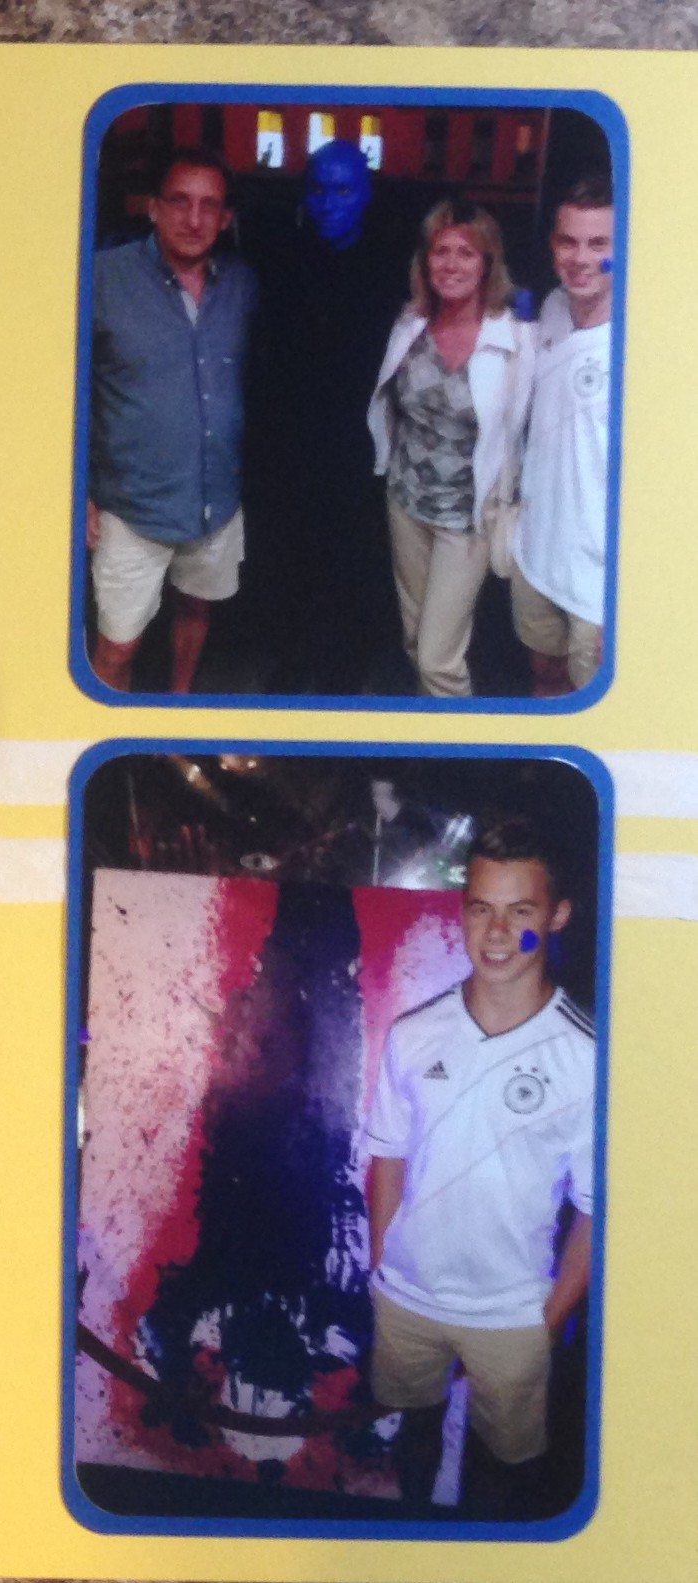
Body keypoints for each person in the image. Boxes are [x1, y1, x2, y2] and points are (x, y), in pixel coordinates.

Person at [363, 817, 595, 1518]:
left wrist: (547, 1320)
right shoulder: (414, 1034)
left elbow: (599, 1210)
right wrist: (385, 1267)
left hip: (512, 1314)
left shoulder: (587, 1058)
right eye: (480, 909)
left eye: (520, 912)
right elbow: (386, 1156)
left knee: (505, 1473)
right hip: (408, 1300)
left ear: (556, 916)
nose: (496, 933)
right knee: (412, 1440)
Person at [239, 138, 419, 694]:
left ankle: (345, 668)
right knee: (291, 558)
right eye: (317, 189)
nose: (327, 202)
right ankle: (294, 660)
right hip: (289, 442)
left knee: (353, 562)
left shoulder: (392, 268)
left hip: (357, 446)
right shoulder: (279, 258)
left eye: (342, 190)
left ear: (365, 196)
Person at [85, 150, 254, 693]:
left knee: (196, 609)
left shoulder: (242, 285)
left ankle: (177, 711)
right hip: (132, 505)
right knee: (117, 646)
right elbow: (60, 385)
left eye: (209, 206)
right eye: (179, 202)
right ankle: (113, 738)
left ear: (225, 218)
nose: (194, 219)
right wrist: (76, 489)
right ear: (153, 208)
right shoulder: (100, 278)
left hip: (214, 500)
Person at [370, 198, 536, 699]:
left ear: (488, 263)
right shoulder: (411, 322)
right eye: (441, 251)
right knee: (414, 639)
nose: (451, 264)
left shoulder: (517, 339)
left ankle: (460, 748)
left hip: (467, 520)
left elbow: (527, 433)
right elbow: (390, 407)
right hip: (406, 503)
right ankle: (428, 737)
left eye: (466, 253)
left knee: (438, 659)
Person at [512, 177, 616, 696]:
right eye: (568, 242)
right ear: (553, 245)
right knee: (545, 678)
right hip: (538, 548)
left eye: (598, 244)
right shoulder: (551, 308)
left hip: (600, 578)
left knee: (592, 702)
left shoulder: (643, 339)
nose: (580, 258)